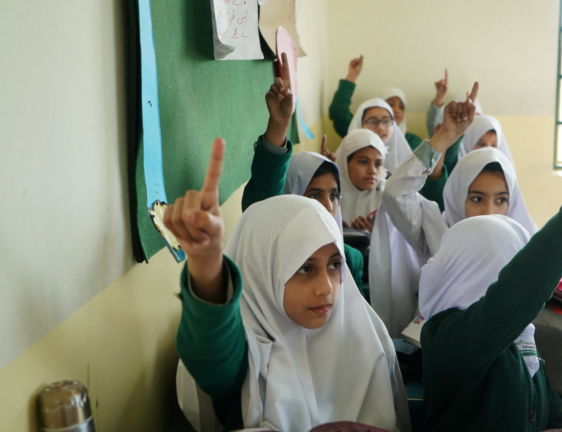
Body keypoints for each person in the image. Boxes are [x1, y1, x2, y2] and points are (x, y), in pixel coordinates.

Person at [168, 139, 410, 431]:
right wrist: (206, 266)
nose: (327, 288)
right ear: (263, 269)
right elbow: (211, 357)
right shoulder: (246, 350)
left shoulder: (365, 334)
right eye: (305, 268)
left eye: (335, 265)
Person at [419, 133, 562, 431]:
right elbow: (515, 294)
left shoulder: (521, 339)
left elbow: (550, 408)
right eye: (506, 264)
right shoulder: (447, 337)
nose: (512, 275)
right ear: (465, 265)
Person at [370, 83, 535, 336]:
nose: (489, 212)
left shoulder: (522, 241)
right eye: (477, 199)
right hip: (441, 353)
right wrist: (444, 137)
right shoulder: (436, 230)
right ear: (458, 198)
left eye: (501, 200)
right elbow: (395, 192)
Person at [240, 64, 365, 288]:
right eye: (314, 195)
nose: (328, 206)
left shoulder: (349, 259)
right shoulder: (275, 248)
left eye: (334, 195)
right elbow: (266, 197)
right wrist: (279, 124)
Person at [328, 56, 413, 173]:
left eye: (386, 121)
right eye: (390, 104)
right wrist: (351, 77)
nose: (396, 110)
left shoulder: (412, 141)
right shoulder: (356, 137)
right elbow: (338, 112)